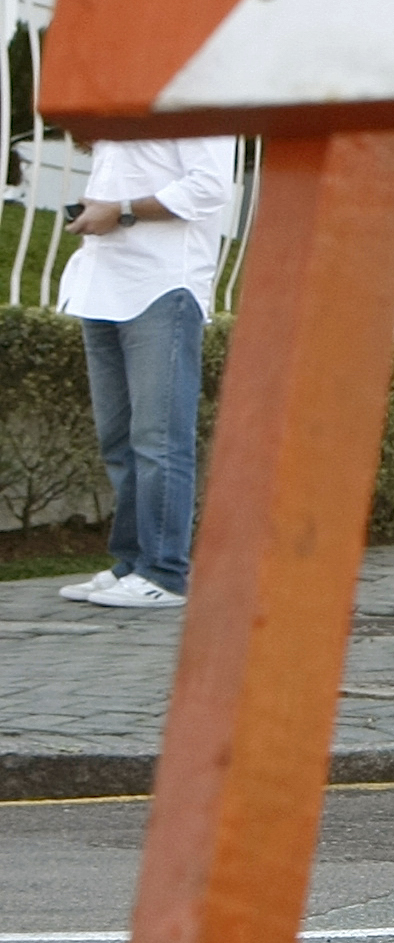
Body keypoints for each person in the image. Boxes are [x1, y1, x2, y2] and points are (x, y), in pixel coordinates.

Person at [56, 137, 237, 610]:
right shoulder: (126, 100)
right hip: (101, 281)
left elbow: (210, 187)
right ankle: (131, 564)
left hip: (162, 286)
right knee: (118, 440)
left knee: (159, 440)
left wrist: (121, 210)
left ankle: (164, 572)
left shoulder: (199, 97)